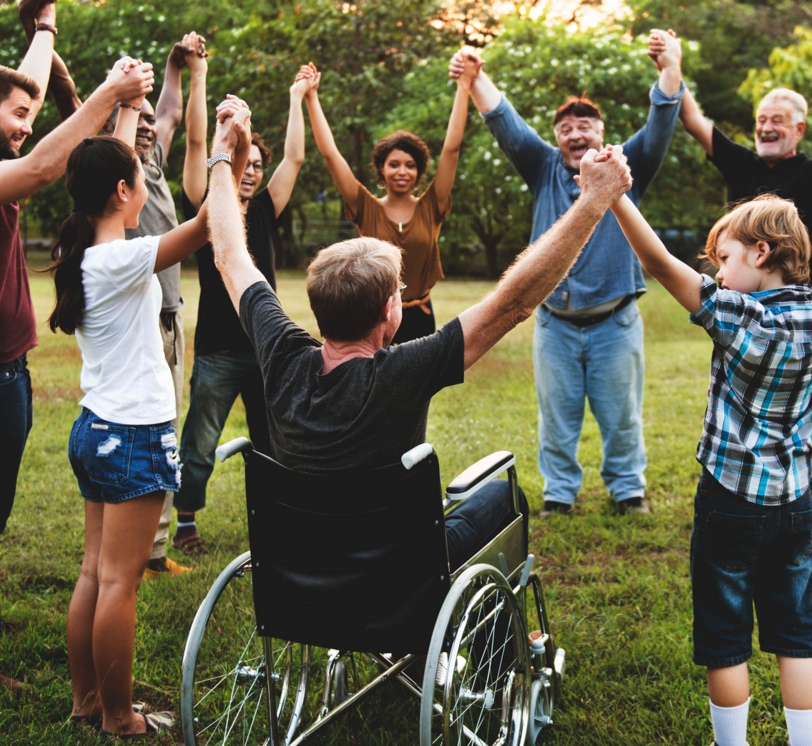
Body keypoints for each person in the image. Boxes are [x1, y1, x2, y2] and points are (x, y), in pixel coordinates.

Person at [204, 94, 636, 561]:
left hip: (304, 563)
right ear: (392, 312)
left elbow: (229, 255)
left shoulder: (282, 356)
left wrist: (223, 153)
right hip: (401, 567)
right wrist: (593, 202)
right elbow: (513, 304)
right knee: (506, 499)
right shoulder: (405, 372)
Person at [0, 0, 153, 692]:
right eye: (17, 116)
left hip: (1, 375)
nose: (28, 123)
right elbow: (48, 162)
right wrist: (109, 95)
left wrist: (44, 28)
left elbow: (31, 107)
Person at [610, 133, 812, 746]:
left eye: (723, 257)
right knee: (796, 633)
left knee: (726, 635)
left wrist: (616, 195)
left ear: (760, 251)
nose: (717, 271)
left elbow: (657, 261)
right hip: (794, 504)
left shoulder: (738, 315)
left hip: (729, 502)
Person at [49, 97, 247, 738]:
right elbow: (210, 223)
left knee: (93, 573)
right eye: (138, 177)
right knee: (120, 584)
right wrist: (223, 145)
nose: (145, 187)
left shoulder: (85, 253)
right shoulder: (125, 257)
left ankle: (86, 702)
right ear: (122, 190)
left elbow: (205, 211)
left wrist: (227, 148)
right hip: (132, 435)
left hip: (94, 431)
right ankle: (119, 716)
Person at [450, 30, 688, 518]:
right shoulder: (541, 168)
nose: (576, 134)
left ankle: (628, 492)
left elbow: (662, 118)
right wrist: (476, 77)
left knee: (622, 418)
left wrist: (671, 66)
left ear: (601, 132)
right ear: (557, 138)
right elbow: (503, 120)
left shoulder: (627, 167)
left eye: (586, 126)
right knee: (557, 419)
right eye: (566, 129)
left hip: (615, 323)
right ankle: (559, 495)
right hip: (554, 324)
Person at [666, 39, 812, 539]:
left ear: (799, 128)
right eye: (760, 119)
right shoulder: (742, 163)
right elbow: (693, 121)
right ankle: (757, 487)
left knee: (807, 407)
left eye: (777, 119)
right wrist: (674, 67)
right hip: (739, 304)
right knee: (744, 398)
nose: (766, 127)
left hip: (793, 307)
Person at [170, 65, 307, 554]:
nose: (250, 172)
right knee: (201, 441)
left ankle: (276, 519)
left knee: (273, 440)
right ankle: (185, 522)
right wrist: (202, 85)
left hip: (267, 348)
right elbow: (194, 146)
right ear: (229, 164)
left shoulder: (268, 209)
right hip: (218, 351)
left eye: (256, 167)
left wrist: (297, 97)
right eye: (243, 165)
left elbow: (294, 156)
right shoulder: (208, 208)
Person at [104, 33, 209, 580]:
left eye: (148, 118)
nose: (147, 124)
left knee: (166, 427)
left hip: (172, 314)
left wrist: (175, 64)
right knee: (152, 428)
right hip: (143, 323)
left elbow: (166, 110)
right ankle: (145, 552)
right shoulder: (113, 176)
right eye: (133, 117)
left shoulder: (155, 161)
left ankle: (151, 548)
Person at [303, 58, 471, 344]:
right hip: (369, 318)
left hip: (419, 315)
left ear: (419, 171)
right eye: (394, 164)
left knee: (418, 390)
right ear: (382, 169)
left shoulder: (432, 206)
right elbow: (331, 154)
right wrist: (311, 97)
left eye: (410, 164)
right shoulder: (365, 206)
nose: (402, 171)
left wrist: (463, 85)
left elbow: (452, 149)